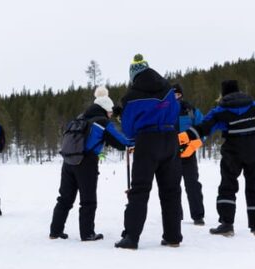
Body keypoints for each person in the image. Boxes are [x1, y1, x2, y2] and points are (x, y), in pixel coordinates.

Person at [178, 80, 255, 237]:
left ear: (223, 94)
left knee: (228, 186)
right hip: (254, 148)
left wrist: (183, 137)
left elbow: (204, 128)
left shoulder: (220, 110)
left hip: (233, 150)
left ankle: (226, 225)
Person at [114, 54, 183, 250]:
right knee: (171, 190)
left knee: (140, 190)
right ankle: (173, 236)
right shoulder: (168, 90)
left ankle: (132, 237)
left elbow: (128, 130)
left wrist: (125, 119)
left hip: (147, 141)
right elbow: (175, 111)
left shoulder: (131, 97)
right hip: (170, 139)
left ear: (133, 75)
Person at [50, 87, 133, 241]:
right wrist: (135, 141)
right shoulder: (101, 122)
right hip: (86, 163)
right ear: (106, 109)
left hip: (69, 161)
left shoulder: (80, 118)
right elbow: (121, 143)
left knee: (64, 198)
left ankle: (55, 231)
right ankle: (87, 233)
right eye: (110, 112)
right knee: (88, 200)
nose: (110, 115)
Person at [172, 83, 205, 225]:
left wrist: (192, 147)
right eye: (172, 95)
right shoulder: (165, 111)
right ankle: (175, 215)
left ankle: (198, 216)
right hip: (171, 155)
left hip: (189, 155)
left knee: (193, 185)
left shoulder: (191, 110)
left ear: (182, 95)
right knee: (172, 187)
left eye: (178, 95)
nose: (175, 98)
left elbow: (202, 130)